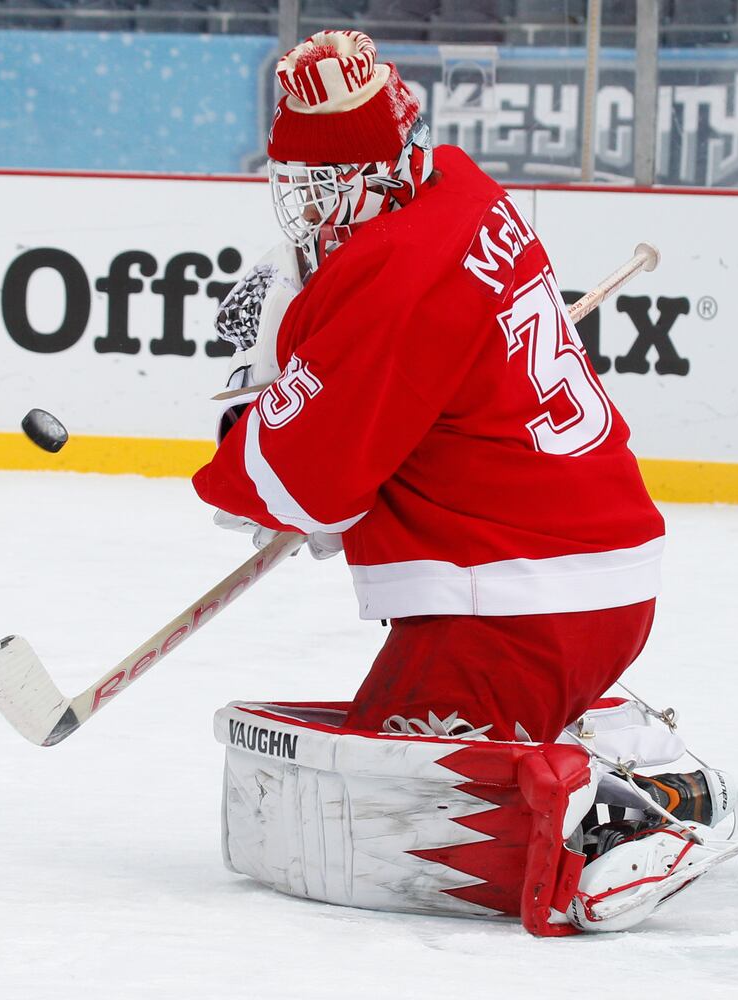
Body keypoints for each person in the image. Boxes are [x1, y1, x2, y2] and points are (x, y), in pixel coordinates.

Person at [193, 28, 665, 745]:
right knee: (375, 773)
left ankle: (611, 801)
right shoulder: (457, 187)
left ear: (376, 174)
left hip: (521, 603)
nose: (308, 212)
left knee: (401, 816)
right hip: (574, 574)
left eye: (320, 189)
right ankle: (590, 738)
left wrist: (248, 456)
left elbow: (299, 485)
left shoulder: (397, 276)